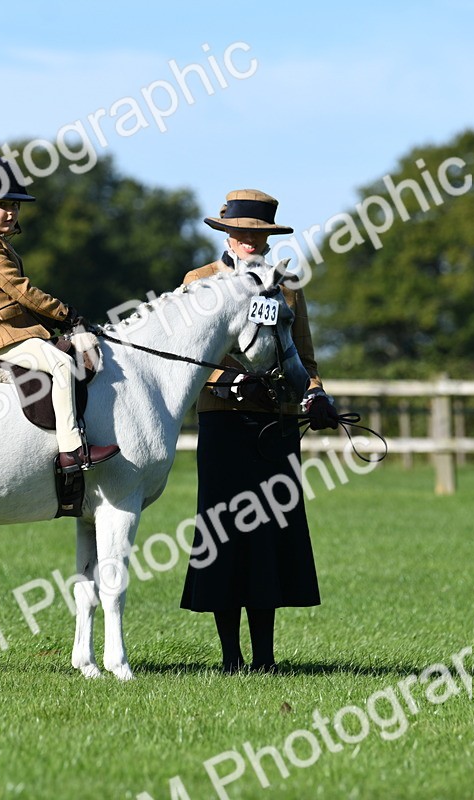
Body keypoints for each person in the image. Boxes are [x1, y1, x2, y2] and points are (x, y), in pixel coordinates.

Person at [179, 189, 340, 673]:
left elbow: (304, 358)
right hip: (223, 422)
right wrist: (224, 379)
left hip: (278, 424)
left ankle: (265, 659)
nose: (249, 239)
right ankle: (230, 658)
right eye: (241, 231)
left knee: (269, 538)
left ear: (268, 236)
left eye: (258, 233)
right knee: (225, 534)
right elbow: (188, 354)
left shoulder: (287, 283)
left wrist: (314, 394)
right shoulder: (200, 282)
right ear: (227, 233)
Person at [0, 154, 120, 472]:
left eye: (15, 205)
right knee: (62, 363)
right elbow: (22, 292)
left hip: (12, 328)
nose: (12, 212)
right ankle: (72, 450)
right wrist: (67, 315)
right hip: (1, 334)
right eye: (3, 204)